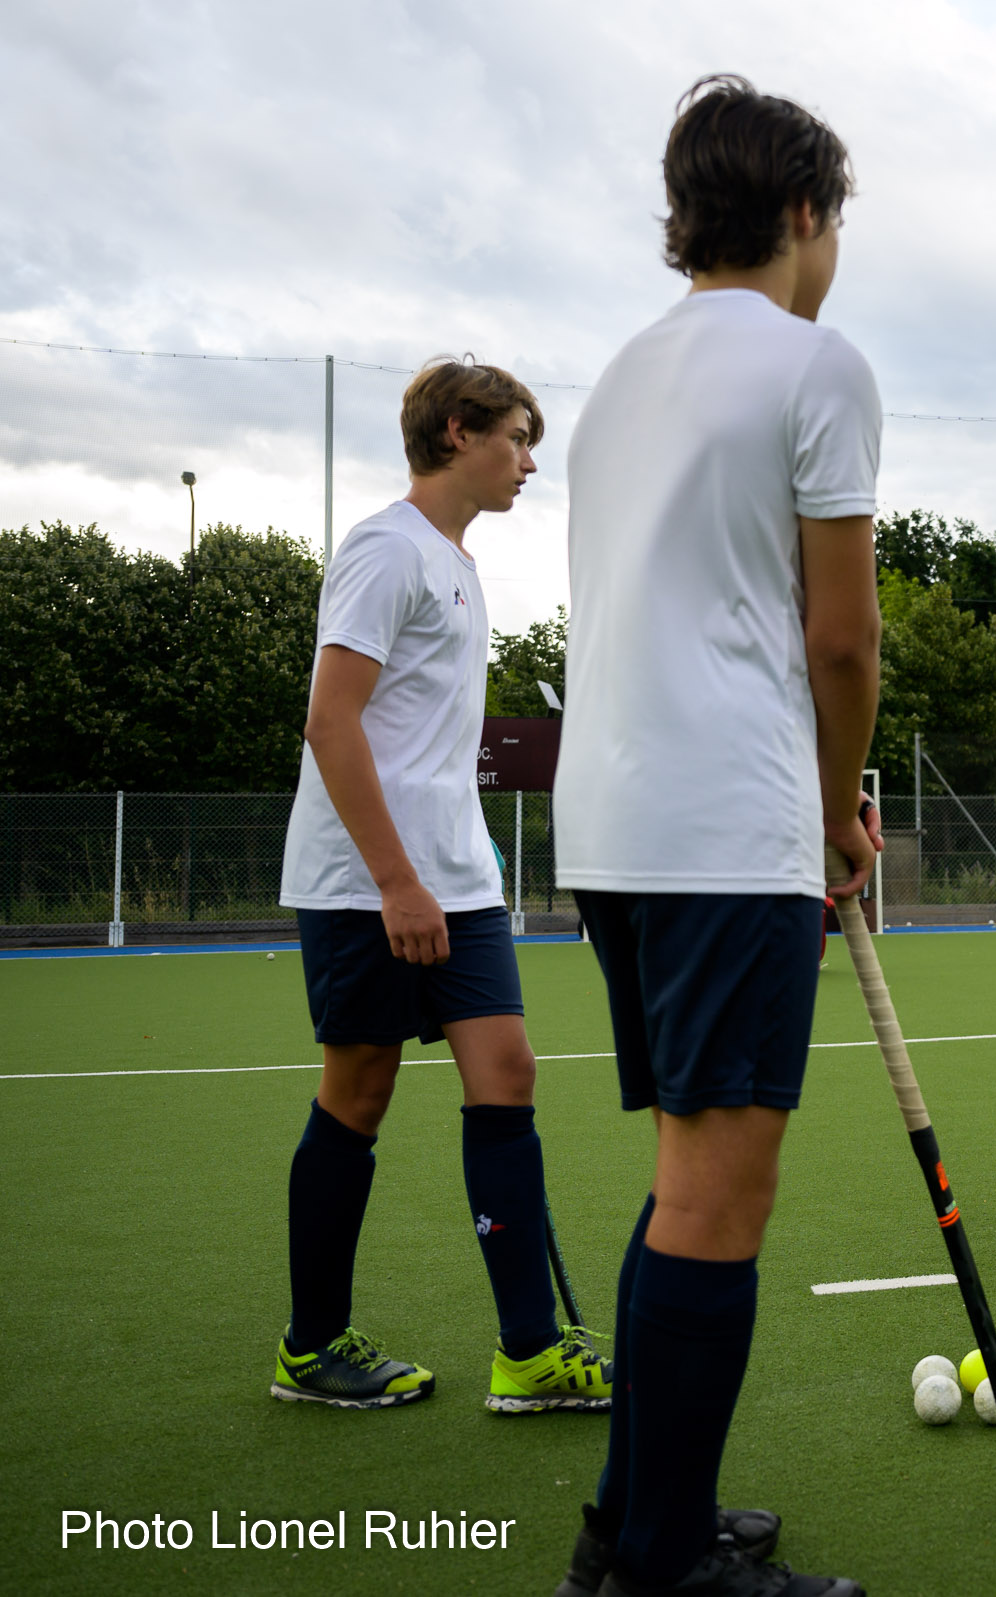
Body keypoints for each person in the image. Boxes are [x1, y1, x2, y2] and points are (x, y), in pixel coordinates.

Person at [550, 75, 876, 1597]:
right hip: (731, 826)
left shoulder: (622, 372)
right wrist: (832, 821)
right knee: (718, 1201)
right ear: (805, 212)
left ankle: (633, 1526)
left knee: (685, 1183)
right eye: (838, 223)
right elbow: (844, 644)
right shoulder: (814, 363)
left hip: (610, 826)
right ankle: (665, 1565)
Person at [273, 358, 611, 1415]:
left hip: (455, 883)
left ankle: (529, 1353)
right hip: (366, 885)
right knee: (359, 1092)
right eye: (517, 436)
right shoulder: (384, 549)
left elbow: (422, 743)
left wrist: (460, 862)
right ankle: (311, 1345)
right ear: (460, 431)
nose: (528, 459)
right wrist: (395, 880)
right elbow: (332, 723)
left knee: (506, 1071)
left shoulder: (458, 564)